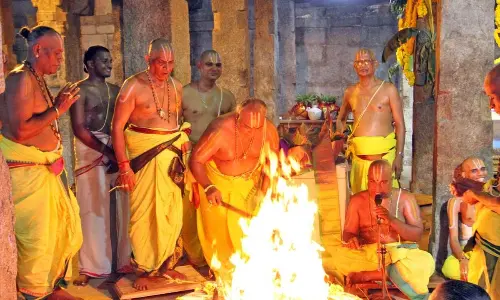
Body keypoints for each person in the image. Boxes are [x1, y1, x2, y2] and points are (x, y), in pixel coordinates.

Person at [0, 25, 82, 299]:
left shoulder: (36, 76)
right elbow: (21, 131)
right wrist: (59, 108)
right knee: (36, 240)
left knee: (54, 236)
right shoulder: (20, 78)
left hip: (43, 170)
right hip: (27, 175)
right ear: (37, 50)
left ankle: (48, 289)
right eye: (56, 53)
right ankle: (32, 293)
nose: (60, 58)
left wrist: (57, 105)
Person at [111, 38, 191, 291]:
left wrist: (181, 141)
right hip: (143, 156)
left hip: (171, 156)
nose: (165, 69)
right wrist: (124, 167)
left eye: (170, 64)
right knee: (144, 215)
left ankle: (166, 267)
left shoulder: (176, 86)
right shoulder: (132, 86)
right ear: (148, 60)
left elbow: (177, 123)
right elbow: (117, 127)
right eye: (160, 63)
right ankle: (144, 270)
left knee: (171, 212)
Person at [189, 98, 279, 280]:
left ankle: (249, 273)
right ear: (238, 116)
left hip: (249, 183)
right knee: (219, 234)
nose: (251, 130)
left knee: (249, 229)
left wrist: (264, 192)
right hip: (216, 182)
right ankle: (223, 273)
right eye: (247, 126)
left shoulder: (268, 130)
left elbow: (272, 163)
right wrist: (209, 187)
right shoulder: (220, 129)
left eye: (257, 126)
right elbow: (196, 160)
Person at [324, 160, 434, 300]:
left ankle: (369, 275)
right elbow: (348, 233)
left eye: (383, 182)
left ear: (392, 180)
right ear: (367, 181)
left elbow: (417, 235)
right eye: (373, 182)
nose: (377, 188)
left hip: (399, 252)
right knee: (338, 257)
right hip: (369, 254)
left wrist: (392, 220)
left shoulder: (406, 199)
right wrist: (352, 239)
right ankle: (391, 279)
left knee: (426, 261)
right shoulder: (357, 200)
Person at [70, 46, 131, 286]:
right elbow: (79, 129)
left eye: (110, 60)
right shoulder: (79, 90)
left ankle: (121, 260)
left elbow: (124, 125)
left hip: (116, 151)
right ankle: (92, 266)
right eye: (103, 60)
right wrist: (107, 152)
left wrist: (119, 154)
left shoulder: (118, 91)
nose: (109, 63)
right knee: (92, 208)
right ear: (90, 64)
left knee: (121, 207)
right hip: (91, 152)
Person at [181, 50, 236, 267]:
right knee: (188, 208)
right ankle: (193, 254)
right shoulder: (183, 93)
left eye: (218, 65)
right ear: (199, 66)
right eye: (209, 64)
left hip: (215, 161)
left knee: (212, 208)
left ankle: (212, 254)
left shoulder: (227, 97)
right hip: (188, 156)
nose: (214, 68)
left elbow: (233, 129)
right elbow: (175, 126)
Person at [336, 48, 405, 194]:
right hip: (359, 161)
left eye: (366, 61)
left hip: (384, 158)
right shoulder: (350, 92)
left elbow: (400, 125)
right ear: (354, 66)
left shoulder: (389, 90)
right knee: (360, 205)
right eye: (359, 62)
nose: (363, 65)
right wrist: (341, 137)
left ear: (375, 64)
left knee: (385, 206)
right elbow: (340, 119)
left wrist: (399, 156)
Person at [442, 158, 487, 281]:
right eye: (474, 171)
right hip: (467, 251)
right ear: (463, 175)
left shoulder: (491, 197)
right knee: (449, 268)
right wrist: (463, 259)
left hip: (488, 250)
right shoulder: (456, 202)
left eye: (483, 169)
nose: (480, 174)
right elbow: (454, 239)